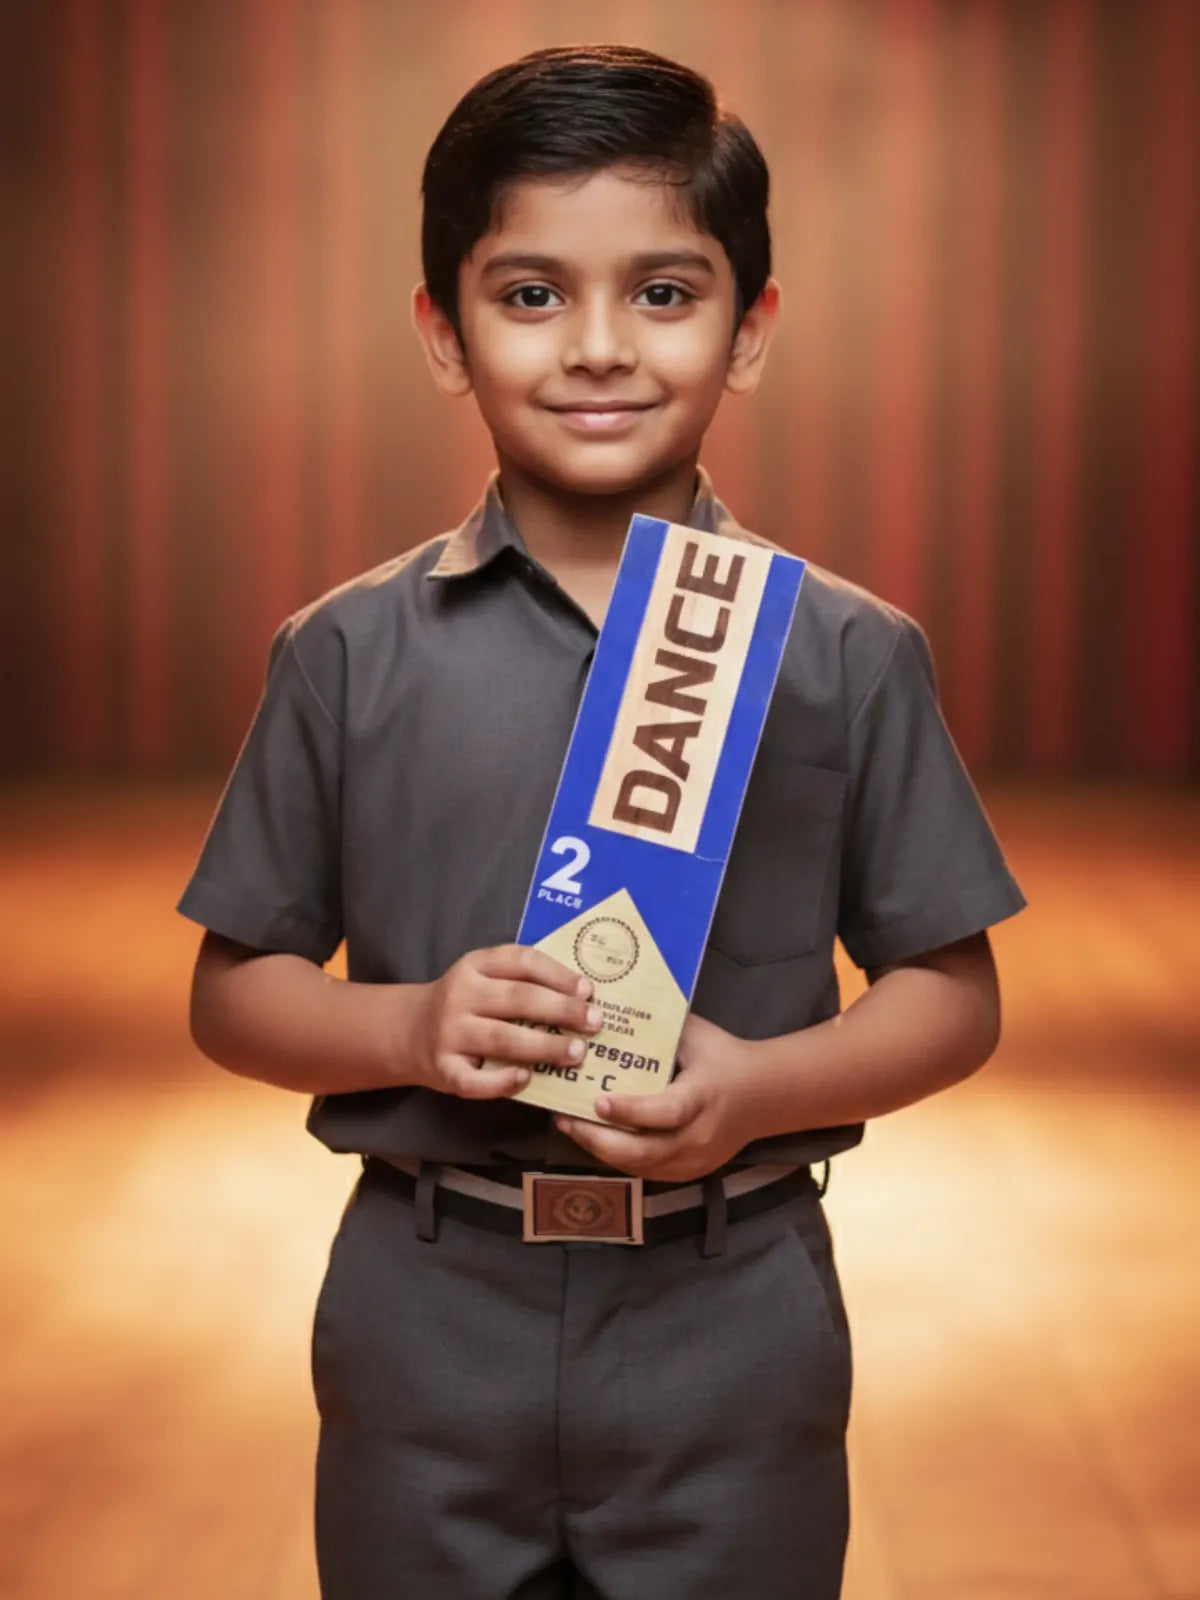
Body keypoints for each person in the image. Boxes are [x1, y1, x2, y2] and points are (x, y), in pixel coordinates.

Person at [179, 43, 1025, 1600]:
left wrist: (764, 1085)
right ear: (443, 334)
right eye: (528, 295)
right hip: (427, 1301)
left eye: (662, 292)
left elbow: (951, 996)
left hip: (732, 1306)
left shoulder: (845, 652)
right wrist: (410, 1030)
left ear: (750, 328)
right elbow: (235, 992)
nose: (596, 348)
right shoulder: (344, 653)